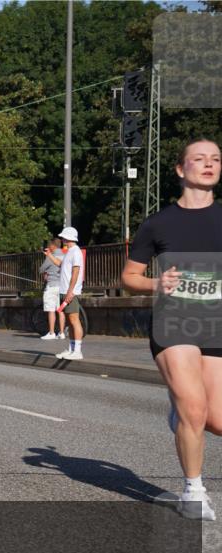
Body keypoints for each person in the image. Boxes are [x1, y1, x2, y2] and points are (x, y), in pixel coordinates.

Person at [121, 137, 222, 521]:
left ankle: (180, 412)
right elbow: (130, 277)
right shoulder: (158, 223)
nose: (208, 164)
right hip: (174, 322)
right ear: (181, 170)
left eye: (215, 159)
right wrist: (156, 285)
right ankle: (194, 491)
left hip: (216, 324)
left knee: (215, 421)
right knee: (195, 409)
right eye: (199, 159)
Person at [54, 227, 85, 360]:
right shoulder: (70, 251)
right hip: (65, 291)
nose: (62, 239)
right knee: (70, 321)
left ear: (68, 237)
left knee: (74, 320)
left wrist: (70, 291)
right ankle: (72, 349)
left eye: (63, 237)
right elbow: (63, 267)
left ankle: (77, 351)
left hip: (70, 292)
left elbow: (76, 272)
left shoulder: (75, 252)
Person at [39, 238, 66, 339]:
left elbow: (41, 269)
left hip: (52, 286)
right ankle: (62, 333)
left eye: (50, 245)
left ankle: (51, 333)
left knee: (51, 310)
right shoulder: (65, 256)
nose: (49, 247)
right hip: (62, 286)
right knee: (61, 310)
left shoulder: (50, 257)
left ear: (53, 246)